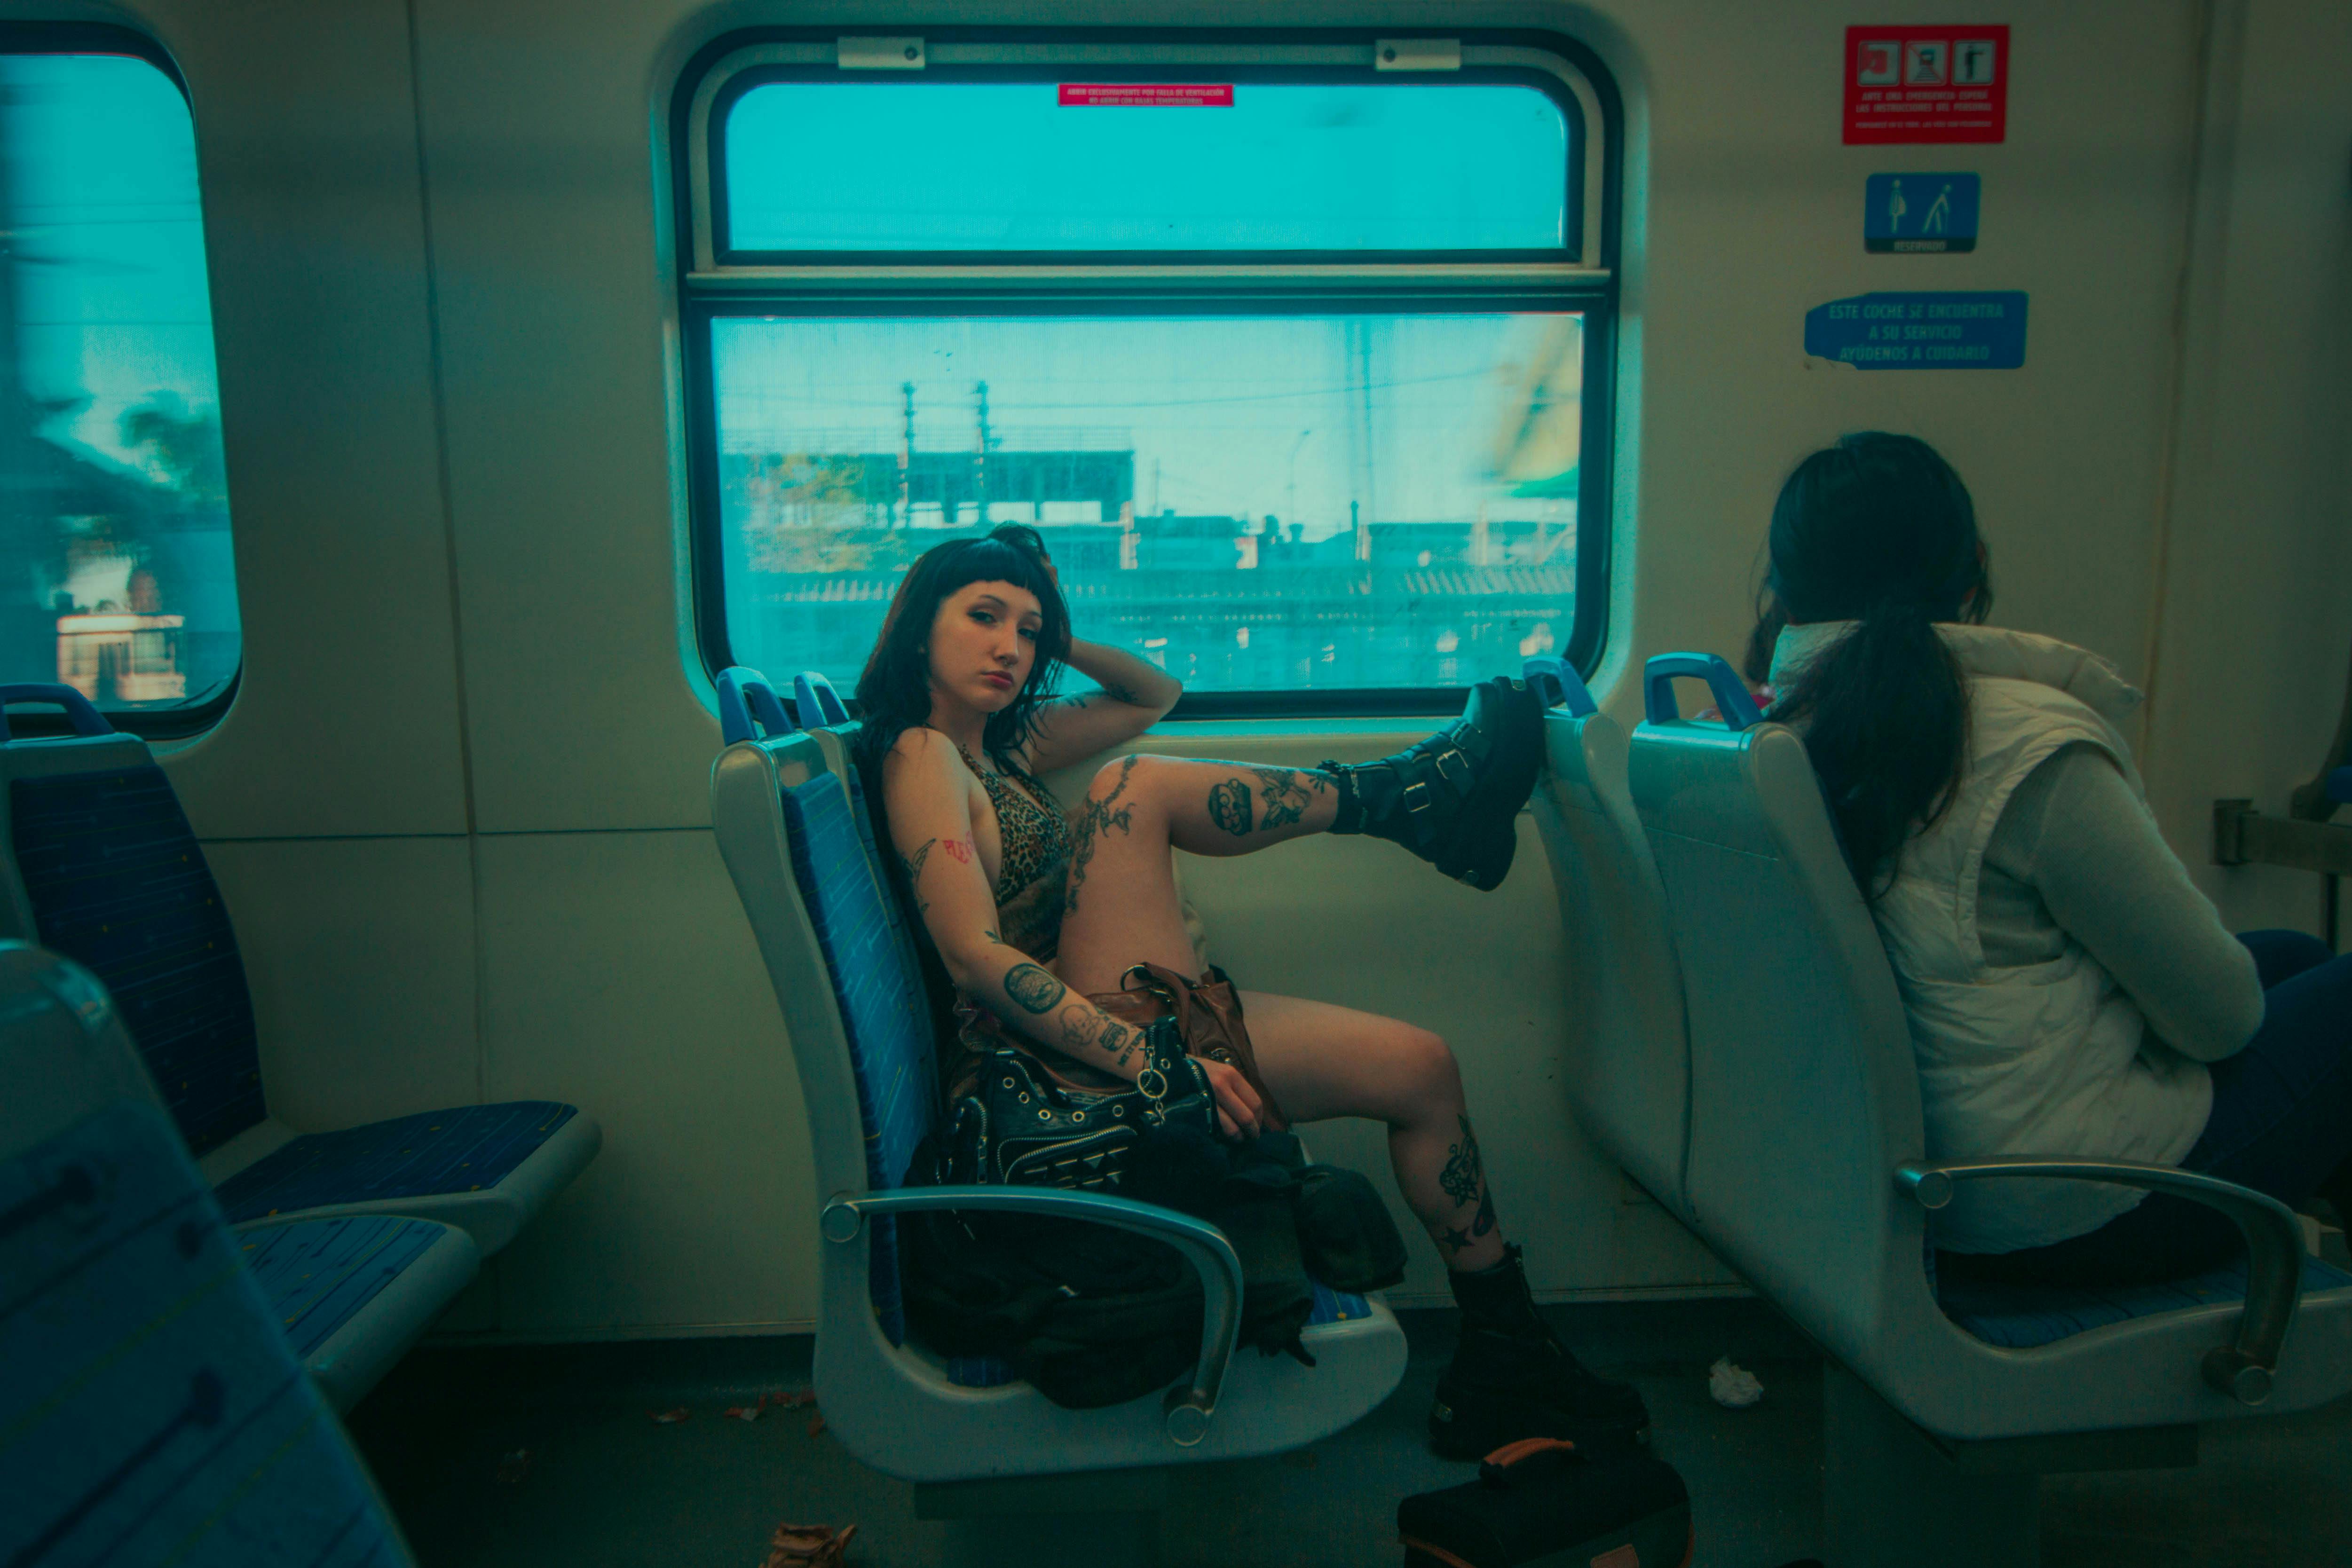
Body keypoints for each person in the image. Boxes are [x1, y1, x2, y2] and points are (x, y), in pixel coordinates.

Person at [851, 523, 1648, 1456]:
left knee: (1421, 1070)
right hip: (1043, 1072)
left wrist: (1051, 621)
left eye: (1027, 631)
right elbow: (970, 957)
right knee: (1134, 788)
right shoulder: (920, 756)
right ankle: (1413, 799)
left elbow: (1154, 694)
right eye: (982, 617)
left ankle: (1507, 1353)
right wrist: (1152, 1060)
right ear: (916, 631)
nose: (1009, 647)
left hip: (1094, 1027)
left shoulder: (1010, 744)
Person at [1744, 432, 2352, 1287]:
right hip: (2064, 1211)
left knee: (2291, 958)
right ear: (1972, 567)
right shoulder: (2026, 742)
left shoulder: (1776, 735)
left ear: (1785, 589)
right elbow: (2218, 1019)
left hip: (1902, 1181)